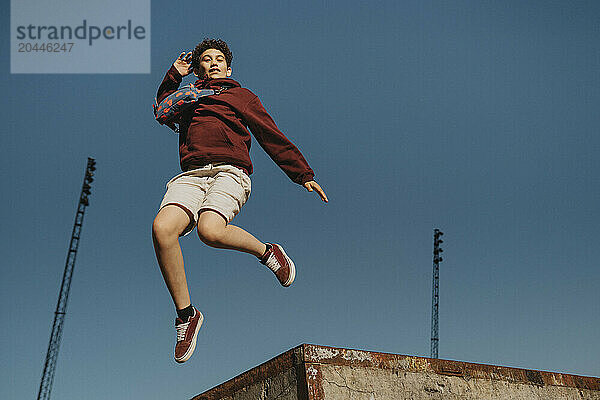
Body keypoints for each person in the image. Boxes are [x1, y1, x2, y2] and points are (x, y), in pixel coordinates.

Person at [152, 38, 328, 363]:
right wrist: (174, 75)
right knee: (162, 229)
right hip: (192, 174)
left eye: (219, 59)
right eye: (206, 59)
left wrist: (302, 173)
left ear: (228, 67)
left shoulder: (241, 96)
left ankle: (267, 251)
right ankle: (186, 315)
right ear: (198, 68)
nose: (213, 62)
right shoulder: (188, 98)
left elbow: (269, 134)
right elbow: (163, 107)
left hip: (229, 171)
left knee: (210, 230)